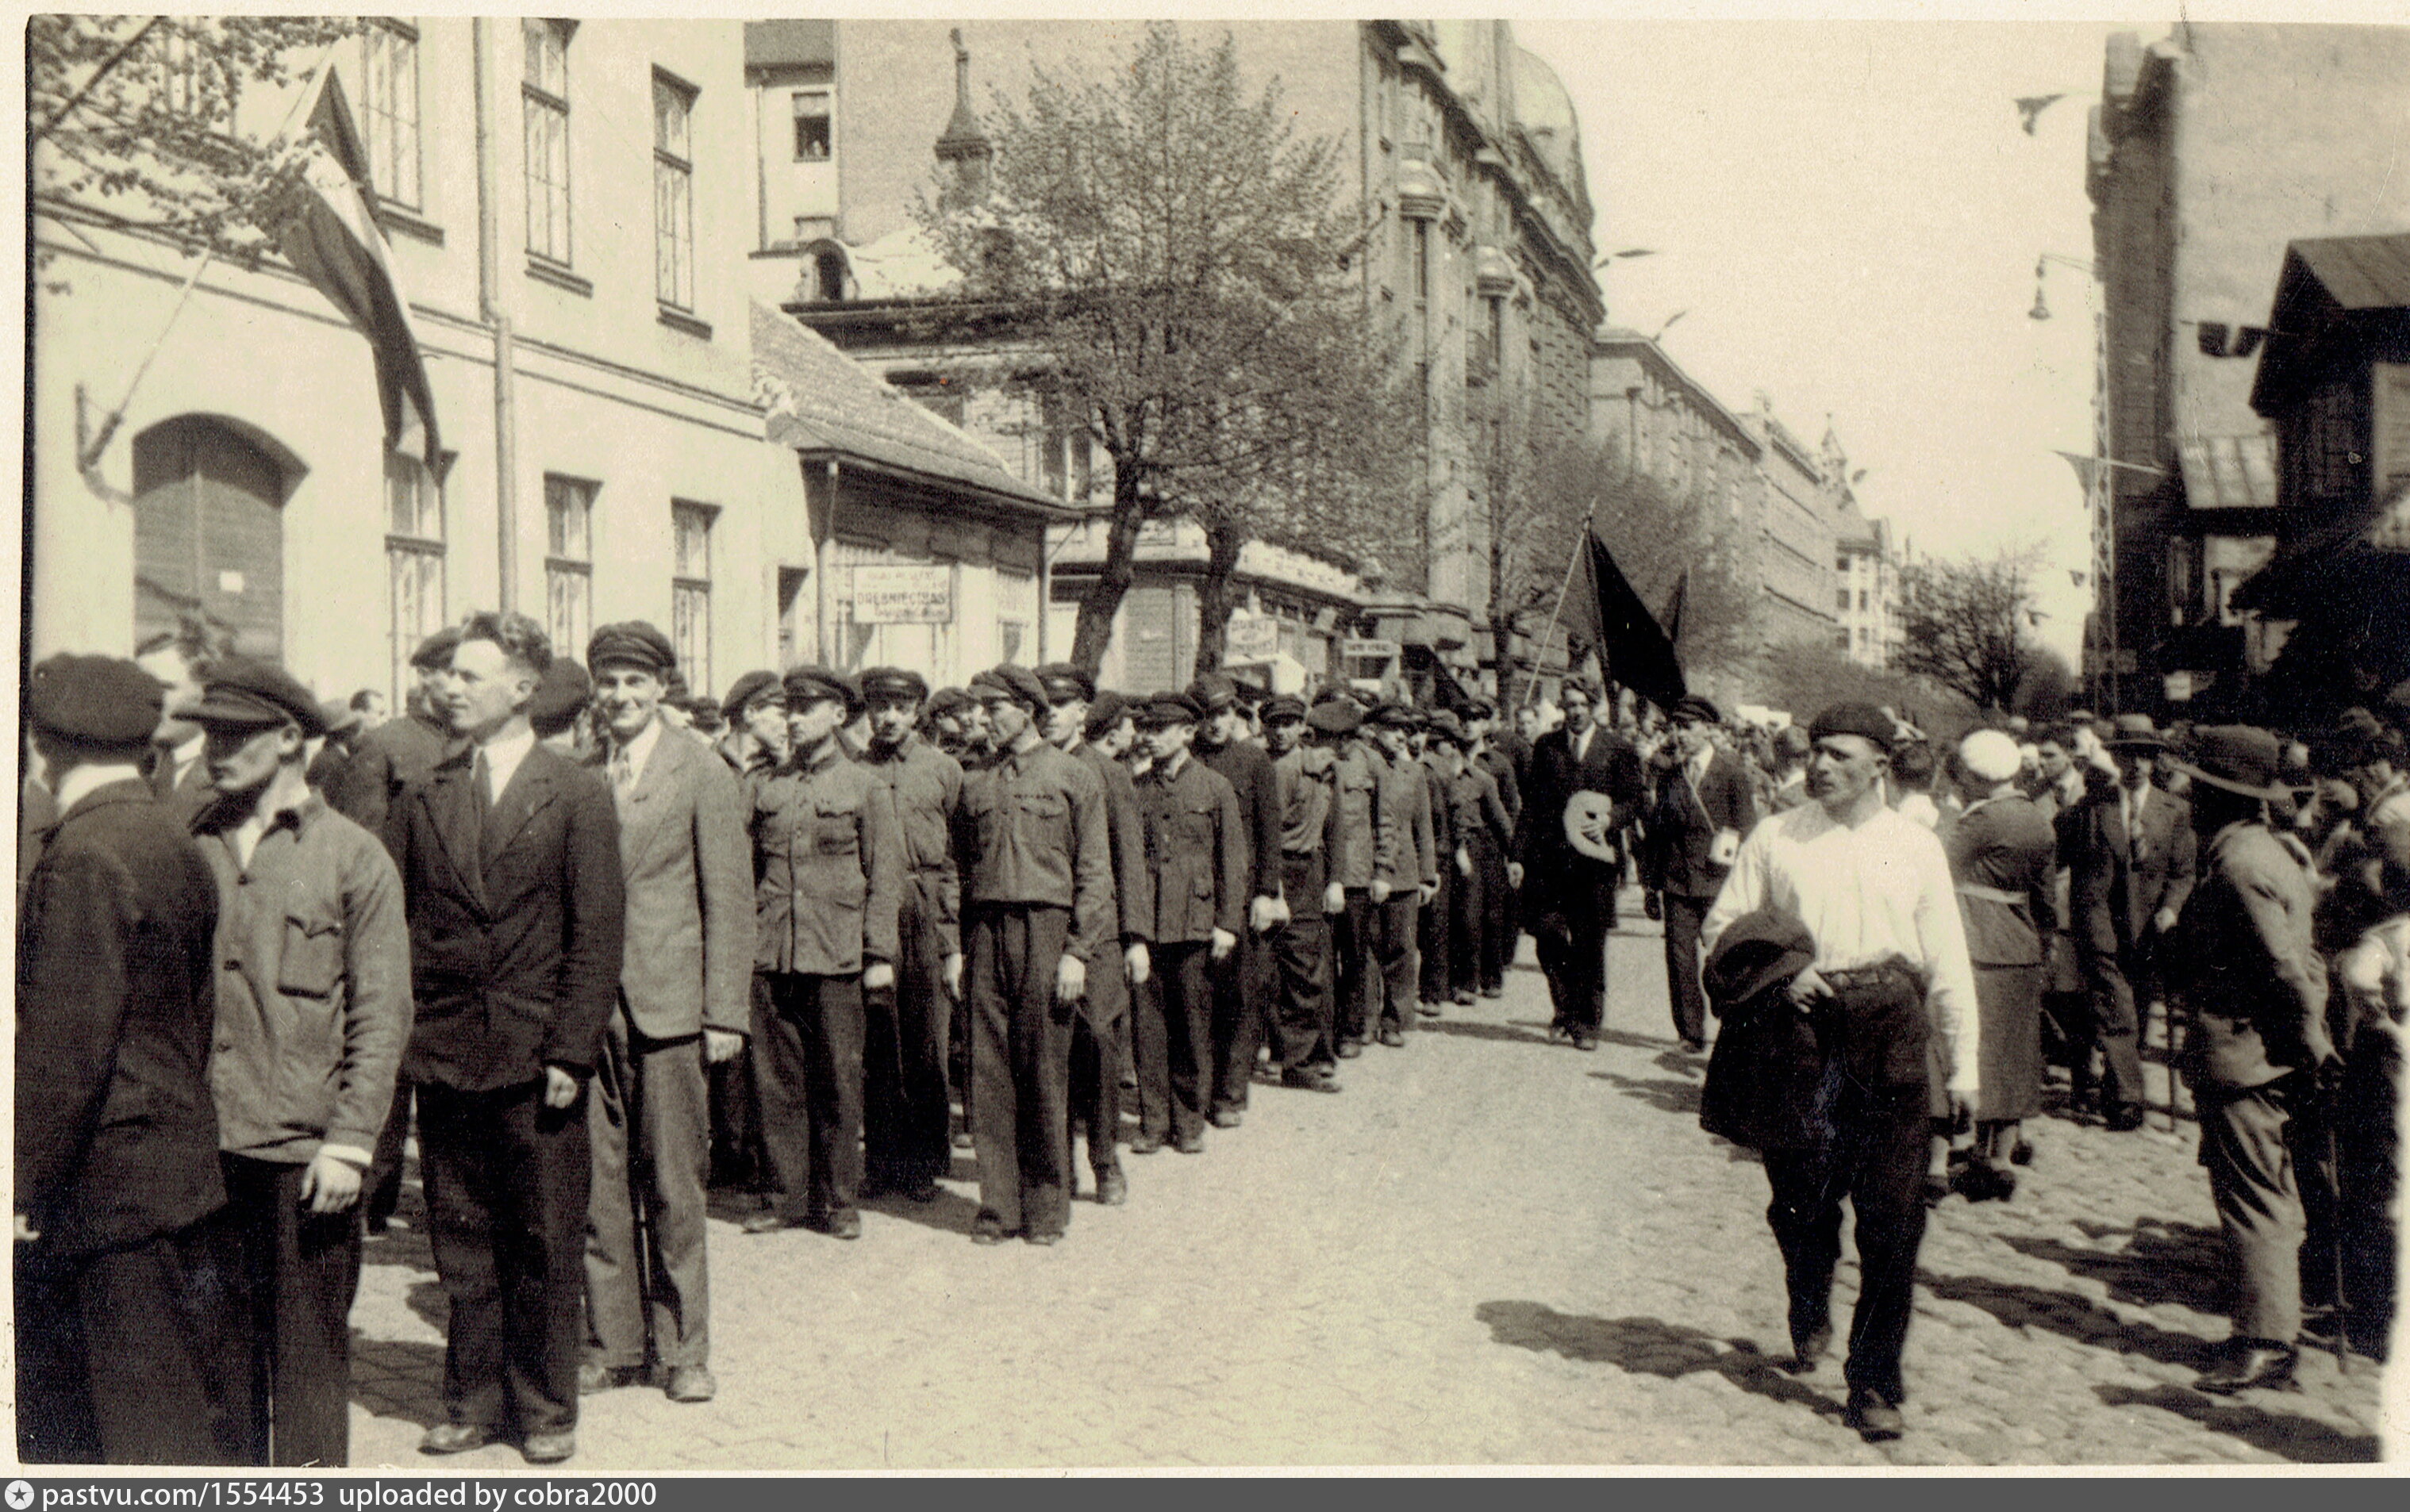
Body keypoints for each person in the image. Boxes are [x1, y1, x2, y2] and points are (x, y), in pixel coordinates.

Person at [1700, 703, 1981, 1443]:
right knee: (1802, 1205)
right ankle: (1807, 1295)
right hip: (1800, 1036)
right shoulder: (1776, 836)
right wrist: (1783, 973)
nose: (1819, 765)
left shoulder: (1915, 846)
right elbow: (1722, 926)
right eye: (1815, 752)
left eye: (1838, 755)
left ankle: (1874, 1381)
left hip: (1890, 1030)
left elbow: (1947, 958)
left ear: (1879, 765)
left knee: (1894, 1218)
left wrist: (1964, 1068)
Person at [386, 612, 625, 1465]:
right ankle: (472, 1400)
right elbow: (398, 923)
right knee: (460, 1236)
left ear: (521, 688)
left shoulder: (576, 792)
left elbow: (596, 934)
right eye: (446, 674)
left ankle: (546, 1405)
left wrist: (571, 1049)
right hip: (449, 1049)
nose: (448, 687)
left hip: (536, 1056)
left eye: (468, 675)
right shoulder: (424, 792)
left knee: (544, 1237)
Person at [186, 658, 412, 1466]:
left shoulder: (354, 856)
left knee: (309, 1361)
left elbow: (382, 1014)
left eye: (234, 735)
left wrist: (350, 1143)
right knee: (219, 1359)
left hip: (305, 1156)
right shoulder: (193, 843)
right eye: (209, 734)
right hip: (207, 1148)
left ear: (288, 738)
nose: (214, 751)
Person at [17, 654, 239, 1465]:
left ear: (46, 745)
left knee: (131, 1427)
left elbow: (66, 1051)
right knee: (167, 1407)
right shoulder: (170, 837)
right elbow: (197, 1010)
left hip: (105, 1186)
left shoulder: (83, 853)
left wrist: (21, 1183)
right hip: (171, 1166)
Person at [577, 624, 751, 1404]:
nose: (619, 696)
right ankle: (614, 1344)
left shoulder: (701, 769)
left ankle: (684, 1350)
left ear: (661, 688)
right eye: (608, 682)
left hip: (672, 1007)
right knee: (599, 1185)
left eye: (633, 682)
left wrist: (725, 1014)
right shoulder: (581, 771)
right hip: (591, 1009)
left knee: (676, 1186)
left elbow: (729, 898)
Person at [2163, 726, 2335, 1394]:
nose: (2188, 800)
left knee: (2252, 1199)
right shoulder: (2263, 850)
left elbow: (2285, 966)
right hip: (2251, 1049)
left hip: (2247, 1053)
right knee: (2255, 1191)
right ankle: (2263, 1328)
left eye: (2196, 789)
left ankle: (2265, 1341)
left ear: (2217, 796)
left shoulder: (2239, 865)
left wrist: (2310, 1038)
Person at [953, 665, 1114, 1243]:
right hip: (985, 931)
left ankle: (1046, 1207)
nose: (984, 719)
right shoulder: (975, 782)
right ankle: (999, 1207)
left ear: (1027, 709)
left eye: (994, 708)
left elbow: (1095, 874)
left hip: (1047, 932)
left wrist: (1077, 953)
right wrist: (955, 948)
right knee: (988, 1073)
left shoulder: (1074, 777)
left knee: (1044, 1069)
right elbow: (956, 869)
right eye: (980, 708)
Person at [744, 666, 901, 1241]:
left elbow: (885, 877)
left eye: (806, 708)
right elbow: (745, 874)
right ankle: (784, 1197)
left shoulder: (865, 787)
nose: (793, 718)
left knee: (838, 1080)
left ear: (837, 715)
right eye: (789, 708)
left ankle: (839, 1201)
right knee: (776, 1082)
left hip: (837, 955)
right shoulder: (766, 787)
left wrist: (878, 953)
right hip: (774, 953)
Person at [851, 667, 967, 1206]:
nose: (889, 717)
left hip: (925, 905)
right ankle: (882, 1162)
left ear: (918, 711)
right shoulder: (856, 769)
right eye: (880, 706)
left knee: (925, 1040)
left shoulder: (944, 770)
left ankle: (923, 1162)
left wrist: (951, 938)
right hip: (871, 906)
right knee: (877, 1039)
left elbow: (958, 857)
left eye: (900, 707)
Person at [1040, 672, 1150, 1204]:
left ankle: (1105, 1161)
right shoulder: (1032, 769)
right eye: (1043, 704)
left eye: (1061, 704)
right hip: (1045, 934)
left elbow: (1128, 858)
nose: (1050, 714)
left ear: (1082, 713)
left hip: (1100, 935)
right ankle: (1056, 1167)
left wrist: (1135, 937)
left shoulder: (1106, 773)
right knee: (1049, 1054)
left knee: (1099, 1049)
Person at [2058, 714, 2195, 1130]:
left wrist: (2171, 908)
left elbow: (2183, 873)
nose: (2136, 764)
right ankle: (2128, 1100)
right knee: (2118, 1009)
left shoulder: (2175, 811)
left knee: (2135, 1009)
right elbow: (2059, 852)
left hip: (2149, 929)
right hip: (2099, 922)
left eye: (2145, 755)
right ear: (2115, 758)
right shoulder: (2092, 807)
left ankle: (2115, 1087)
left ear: (2155, 761)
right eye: (2128, 755)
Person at [1940, 730, 2058, 1201]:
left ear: (1976, 776)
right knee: (2013, 1053)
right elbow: (2046, 899)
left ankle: (1960, 1148)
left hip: (1976, 941)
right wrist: (2043, 942)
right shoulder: (2038, 819)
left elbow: (1938, 868)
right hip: (2021, 945)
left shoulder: (1982, 820)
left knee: (1972, 1047)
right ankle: (2002, 1155)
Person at [1128, 693, 1247, 1154]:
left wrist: (1228, 923)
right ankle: (1154, 1121)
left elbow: (1232, 861)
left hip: (1195, 923)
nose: (1150, 738)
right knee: (1148, 1027)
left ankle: (1189, 1120)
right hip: (1149, 923)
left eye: (1161, 730)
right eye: (1147, 729)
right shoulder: (1138, 789)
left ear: (1187, 733)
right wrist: (1132, 930)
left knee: (1193, 1025)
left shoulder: (1215, 788)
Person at [1516, 681, 1644, 1052]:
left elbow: (1634, 800)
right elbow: (1531, 806)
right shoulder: (1547, 747)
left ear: (1593, 706)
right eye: (1569, 705)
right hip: (1550, 863)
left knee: (1589, 943)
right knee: (1548, 936)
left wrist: (1610, 819)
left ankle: (1586, 1023)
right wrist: (1517, 855)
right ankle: (1565, 1007)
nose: (1574, 712)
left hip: (1595, 865)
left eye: (1581, 705)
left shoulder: (1617, 749)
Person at [1189, 673, 1281, 1128]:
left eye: (1223, 713)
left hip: (1241, 896)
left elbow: (1269, 833)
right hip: (1194, 896)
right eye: (1207, 715)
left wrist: (1266, 893)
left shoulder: (1254, 761)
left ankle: (1230, 1092)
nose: (1215, 723)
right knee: (1198, 996)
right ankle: (1200, 1090)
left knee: (1241, 995)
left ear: (1235, 715)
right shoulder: (1186, 760)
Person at [1641, 695, 1758, 1054]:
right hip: (1678, 882)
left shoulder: (1732, 772)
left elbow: (1749, 830)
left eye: (1688, 727)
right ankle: (1690, 1034)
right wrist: (1650, 884)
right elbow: (1657, 835)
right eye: (1676, 727)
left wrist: (1740, 871)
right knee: (1680, 961)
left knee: (1726, 959)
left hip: (1719, 884)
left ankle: (1735, 1029)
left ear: (1707, 729)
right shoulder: (1671, 775)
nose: (1680, 734)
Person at [1263, 696, 1347, 1093]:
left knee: (1306, 969)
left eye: (1289, 723)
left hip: (1309, 870)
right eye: (1274, 724)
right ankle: (1286, 1054)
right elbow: (1267, 836)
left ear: (1302, 729)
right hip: (1276, 871)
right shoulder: (1272, 770)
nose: (1281, 731)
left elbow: (1335, 829)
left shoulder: (1323, 771)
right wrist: (1272, 886)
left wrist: (1335, 880)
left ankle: (1303, 1059)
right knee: (1274, 970)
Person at [1364, 704, 1438, 1046]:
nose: (1399, 736)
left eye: (1404, 731)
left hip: (1405, 874)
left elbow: (1423, 827)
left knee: (1402, 949)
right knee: (1366, 949)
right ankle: (1365, 1021)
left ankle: (1394, 1020)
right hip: (1367, 870)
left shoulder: (1414, 773)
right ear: (1375, 730)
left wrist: (1427, 875)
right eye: (1392, 728)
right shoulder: (1366, 767)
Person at [716, 670, 788, 782]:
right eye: (782, 716)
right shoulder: (704, 763)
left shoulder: (781, 772)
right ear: (750, 714)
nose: (788, 725)